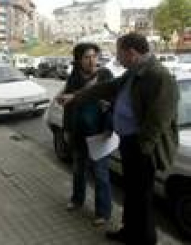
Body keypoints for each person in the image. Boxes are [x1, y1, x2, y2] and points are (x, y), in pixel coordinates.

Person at [57, 33, 179, 245]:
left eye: (119, 53)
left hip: (142, 148)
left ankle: (144, 239)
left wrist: (143, 147)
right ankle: (129, 232)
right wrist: (75, 96)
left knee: (141, 198)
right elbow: (108, 88)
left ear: (131, 53)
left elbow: (160, 119)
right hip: (130, 143)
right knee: (131, 194)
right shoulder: (133, 72)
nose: (117, 58)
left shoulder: (159, 76)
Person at [58, 42, 114, 226]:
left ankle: (103, 212)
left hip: (99, 134)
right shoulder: (73, 78)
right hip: (78, 132)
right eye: (87, 57)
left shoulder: (105, 75)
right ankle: (77, 199)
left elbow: (115, 100)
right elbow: (67, 106)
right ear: (78, 60)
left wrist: (107, 106)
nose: (92, 61)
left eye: (94, 57)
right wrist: (66, 129)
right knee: (78, 170)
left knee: (100, 174)